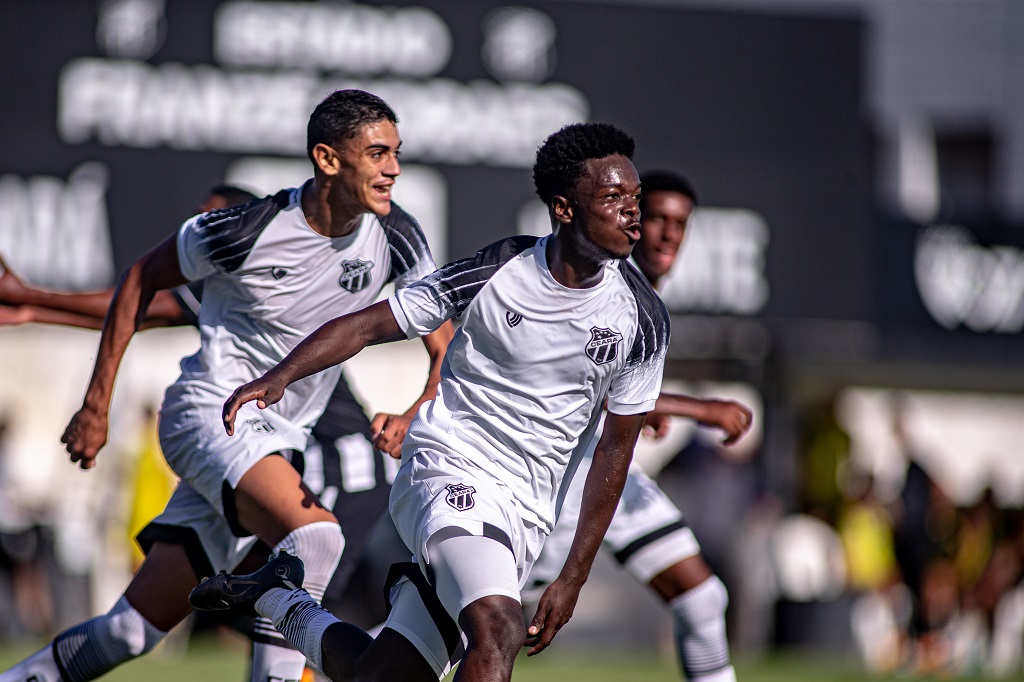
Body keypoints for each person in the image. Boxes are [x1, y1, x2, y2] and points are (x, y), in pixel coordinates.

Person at [189, 122, 670, 682]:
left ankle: (280, 599)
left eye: (635, 196)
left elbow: (614, 452)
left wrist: (573, 575)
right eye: (612, 197)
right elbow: (368, 325)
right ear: (563, 209)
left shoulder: (643, 319)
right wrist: (280, 377)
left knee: (380, 675)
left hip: (526, 514)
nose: (632, 211)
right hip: (449, 467)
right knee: (498, 628)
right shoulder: (497, 271)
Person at [0, 89, 454, 682]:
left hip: (276, 442)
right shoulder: (247, 229)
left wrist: (418, 405)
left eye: (395, 152)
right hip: (211, 415)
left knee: (130, 631)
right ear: (327, 158)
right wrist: (95, 405)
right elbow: (139, 282)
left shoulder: (397, 235)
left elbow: (442, 342)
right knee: (315, 539)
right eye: (376, 154)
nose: (393, 168)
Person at [523, 171, 750, 682]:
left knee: (702, 598)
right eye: (658, 219)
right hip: (561, 478)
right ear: (631, 220)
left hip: (611, 476)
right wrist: (702, 409)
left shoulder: (648, 296)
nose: (669, 234)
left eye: (681, 223)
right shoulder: (602, 285)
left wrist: (647, 406)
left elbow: (621, 391)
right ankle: (354, 656)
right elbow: (585, 385)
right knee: (480, 620)